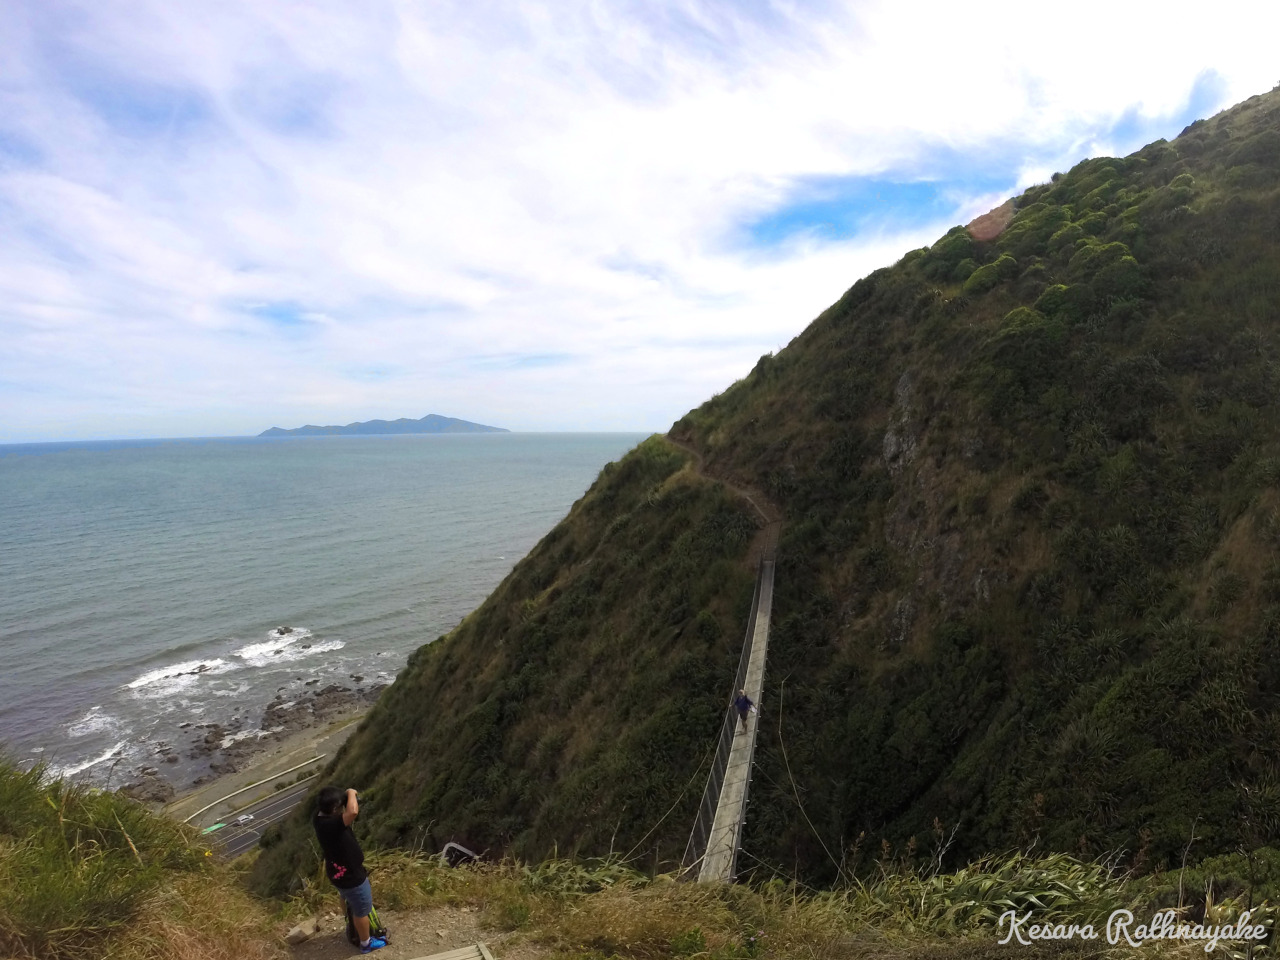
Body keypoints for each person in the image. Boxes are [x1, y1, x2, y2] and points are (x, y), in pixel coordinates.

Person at [314, 786, 385, 953]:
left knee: (345, 897)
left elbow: (343, 810)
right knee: (362, 910)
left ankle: (350, 921)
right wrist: (351, 793)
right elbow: (353, 812)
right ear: (334, 810)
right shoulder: (330, 825)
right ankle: (366, 943)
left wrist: (342, 798)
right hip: (352, 877)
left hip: (338, 874)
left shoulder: (318, 817)